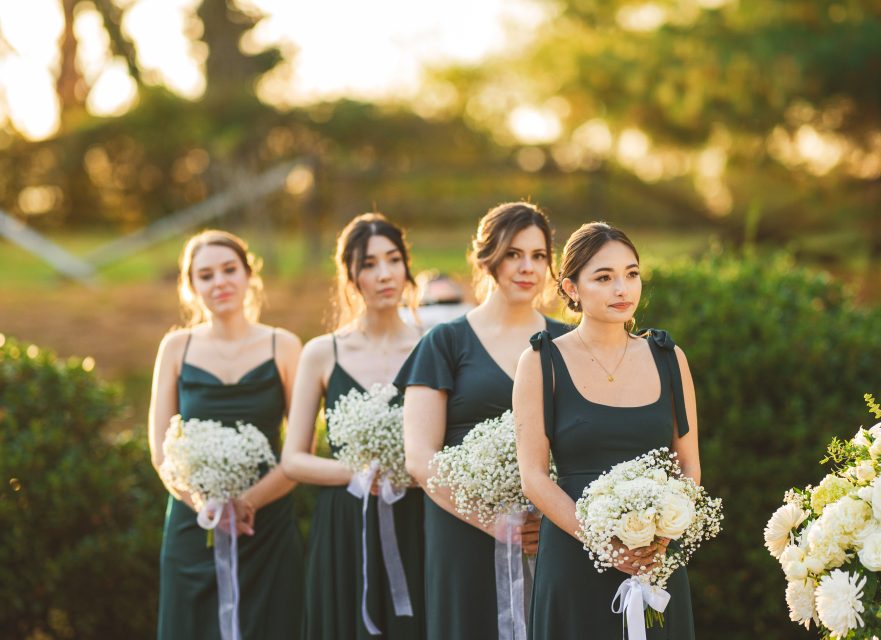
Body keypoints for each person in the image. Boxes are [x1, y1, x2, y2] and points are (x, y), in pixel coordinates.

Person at [514, 222, 700, 639]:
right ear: (571, 288)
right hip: (574, 556)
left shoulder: (669, 358)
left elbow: (688, 464)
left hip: (656, 559)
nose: (623, 289)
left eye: (631, 274)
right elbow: (534, 476)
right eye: (604, 277)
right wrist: (606, 546)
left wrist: (662, 539)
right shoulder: (541, 362)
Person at [395, 202, 570, 640]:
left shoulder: (569, 342)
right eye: (513, 254)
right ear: (486, 257)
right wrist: (494, 522)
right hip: (462, 531)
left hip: (549, 532)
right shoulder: (445, 342)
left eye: (538, 256)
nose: (527, 267)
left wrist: (546, 519)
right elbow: (419, 457)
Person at [149, 229, 304, 640]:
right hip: (193, 523)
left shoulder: (283, 346)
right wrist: (206, 505)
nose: (220, 282)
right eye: (206, 275)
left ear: (249, 274)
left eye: (229, 269)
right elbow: (161, 453)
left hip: (266, 524)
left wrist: (246, 503)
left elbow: (301, 447)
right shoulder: (175, 348)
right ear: (190, 286)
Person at [281, 213, 425, 640]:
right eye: (368, 264)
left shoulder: (435, 345)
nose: (384, 274)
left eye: (393, 260)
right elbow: (293, 459)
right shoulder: (321, 353)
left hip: (417, 517)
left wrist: (407, 475)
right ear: (350, 276)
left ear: (406, 266)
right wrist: (361, 476)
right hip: (344, 522)